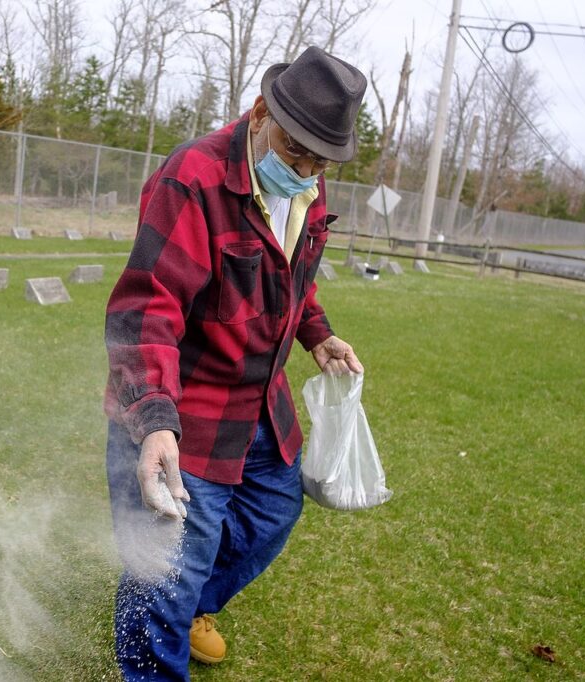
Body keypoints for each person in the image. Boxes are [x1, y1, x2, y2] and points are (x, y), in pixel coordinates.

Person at [103, 46, 367, 680]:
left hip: (258, 408)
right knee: (168, 561)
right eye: (297, 154)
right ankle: (158, 647)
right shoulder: (191, 178)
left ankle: (190, 604)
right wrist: (155, 419)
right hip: (184, 408)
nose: (306, 172)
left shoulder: (303, 178)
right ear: (258, 114)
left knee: (272, 513)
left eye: (321, 162)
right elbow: (148, 307)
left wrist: (317, 334)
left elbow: (289, 275)